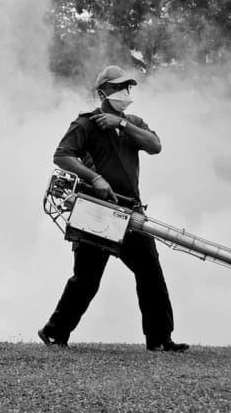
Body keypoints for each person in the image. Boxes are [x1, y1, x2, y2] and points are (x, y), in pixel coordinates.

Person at [38, 65, 189, 352]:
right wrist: (94, 178)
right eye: (119, 87)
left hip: (131, 212)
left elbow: (155, 146)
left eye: (128, 87)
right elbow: (62, 155)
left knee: (150, 272)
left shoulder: (132, 123)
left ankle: (159, 339)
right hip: (95, 210)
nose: (125, 93)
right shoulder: (85, 124)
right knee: (87, 279)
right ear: (103, 92)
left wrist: (121, 124)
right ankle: (54, 332)